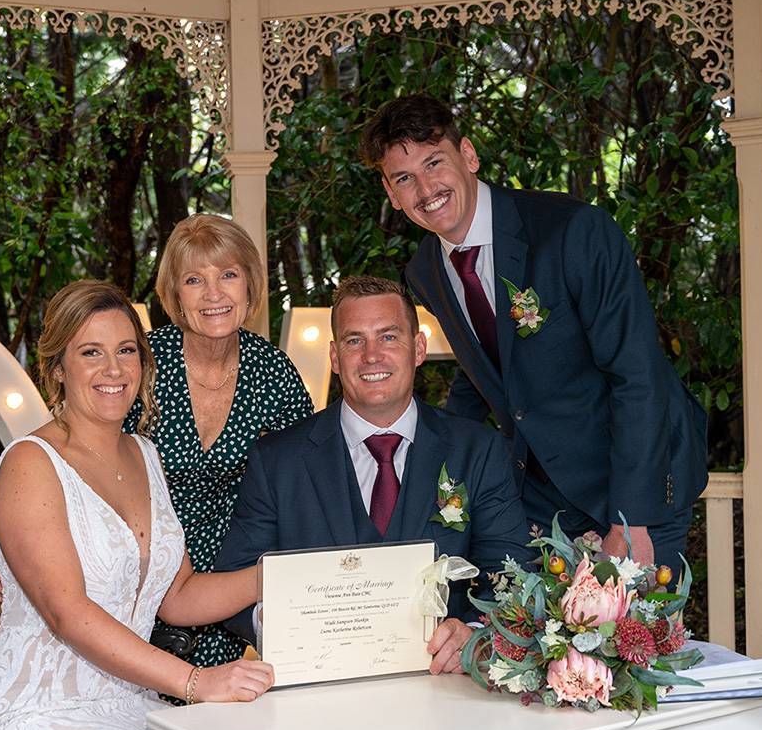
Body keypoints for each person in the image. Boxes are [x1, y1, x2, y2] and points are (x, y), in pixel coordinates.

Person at [359, 94, 708, 571]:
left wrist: (634, 522)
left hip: (634, 480)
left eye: (434, 163)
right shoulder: (425, 270)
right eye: (404, 178)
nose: (425, 188)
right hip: (539, 497)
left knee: (633, 642)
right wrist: (424, 468)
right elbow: (482, 368)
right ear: (391, 192)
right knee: (538, 641)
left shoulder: (573, 232)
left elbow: (637, 373)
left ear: (468, 156)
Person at [0, 280, 274, 730]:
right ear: (58, 368)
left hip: (131, 707)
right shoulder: (31, 464)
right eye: (91, 352)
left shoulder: (145, 454)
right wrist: (196, 681)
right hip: (35, 711)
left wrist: (274, 575)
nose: (113, 369)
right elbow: (68, 614)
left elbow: (179, 595)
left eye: (127, 350)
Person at [215, 276, 530, 673]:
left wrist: (473, 633)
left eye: (388, 337)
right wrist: (286, 630)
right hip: (319, 695)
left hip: (444, 691)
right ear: (334, 356)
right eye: (354, 341)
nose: (371, 356)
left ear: (418, 349)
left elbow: (511, 569)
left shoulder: (478, 450)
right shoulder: (277, 460)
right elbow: (235, 589)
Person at [124, 214, 313, 672]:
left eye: (228, 275)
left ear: (249, 286)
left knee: (209, 716)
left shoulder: (273, 371)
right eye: (194, 280)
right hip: (137, 565)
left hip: (230, 575)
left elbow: (306, 478)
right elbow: (96, 462)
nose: (214, 294)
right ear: (174, 294)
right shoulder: (142, 362)